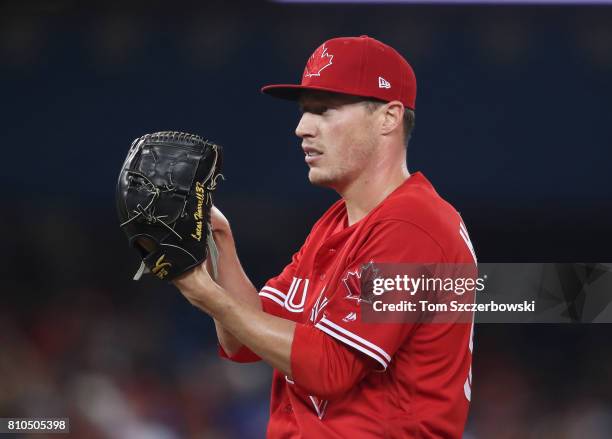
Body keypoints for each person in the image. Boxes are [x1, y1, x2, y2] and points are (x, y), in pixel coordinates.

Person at [174, 35, 477, 438]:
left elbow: (330, 371)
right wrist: (219, 245)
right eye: (304, 112)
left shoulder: (414, 225)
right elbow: (245, 339)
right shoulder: (337, 223)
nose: (302, 128)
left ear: (388, 117)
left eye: (324, 110)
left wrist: (204, 293)